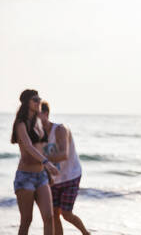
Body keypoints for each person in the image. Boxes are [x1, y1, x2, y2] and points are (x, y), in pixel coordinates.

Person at [11, 89, 59, 235]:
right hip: (25, 176)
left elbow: (43, 148)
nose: (39, 102)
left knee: (49, 217)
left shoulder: (38, 123)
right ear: (27, 103)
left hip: (41, 176)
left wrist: (47, 169)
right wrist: (47, 163)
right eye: (35, 100)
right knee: (26, 220)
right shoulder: (21, 124)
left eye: (39, 99)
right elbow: (28, 146)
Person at [38, 101, 89, 235]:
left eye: (37, 115)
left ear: (46, 114)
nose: (34, 119)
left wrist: (40, 157)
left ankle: (86, 233)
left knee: (66, 213)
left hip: (71, 175)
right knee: (54, 215)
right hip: (53, 179)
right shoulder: (37, 135)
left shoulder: (60, 129)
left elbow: (63, 154)